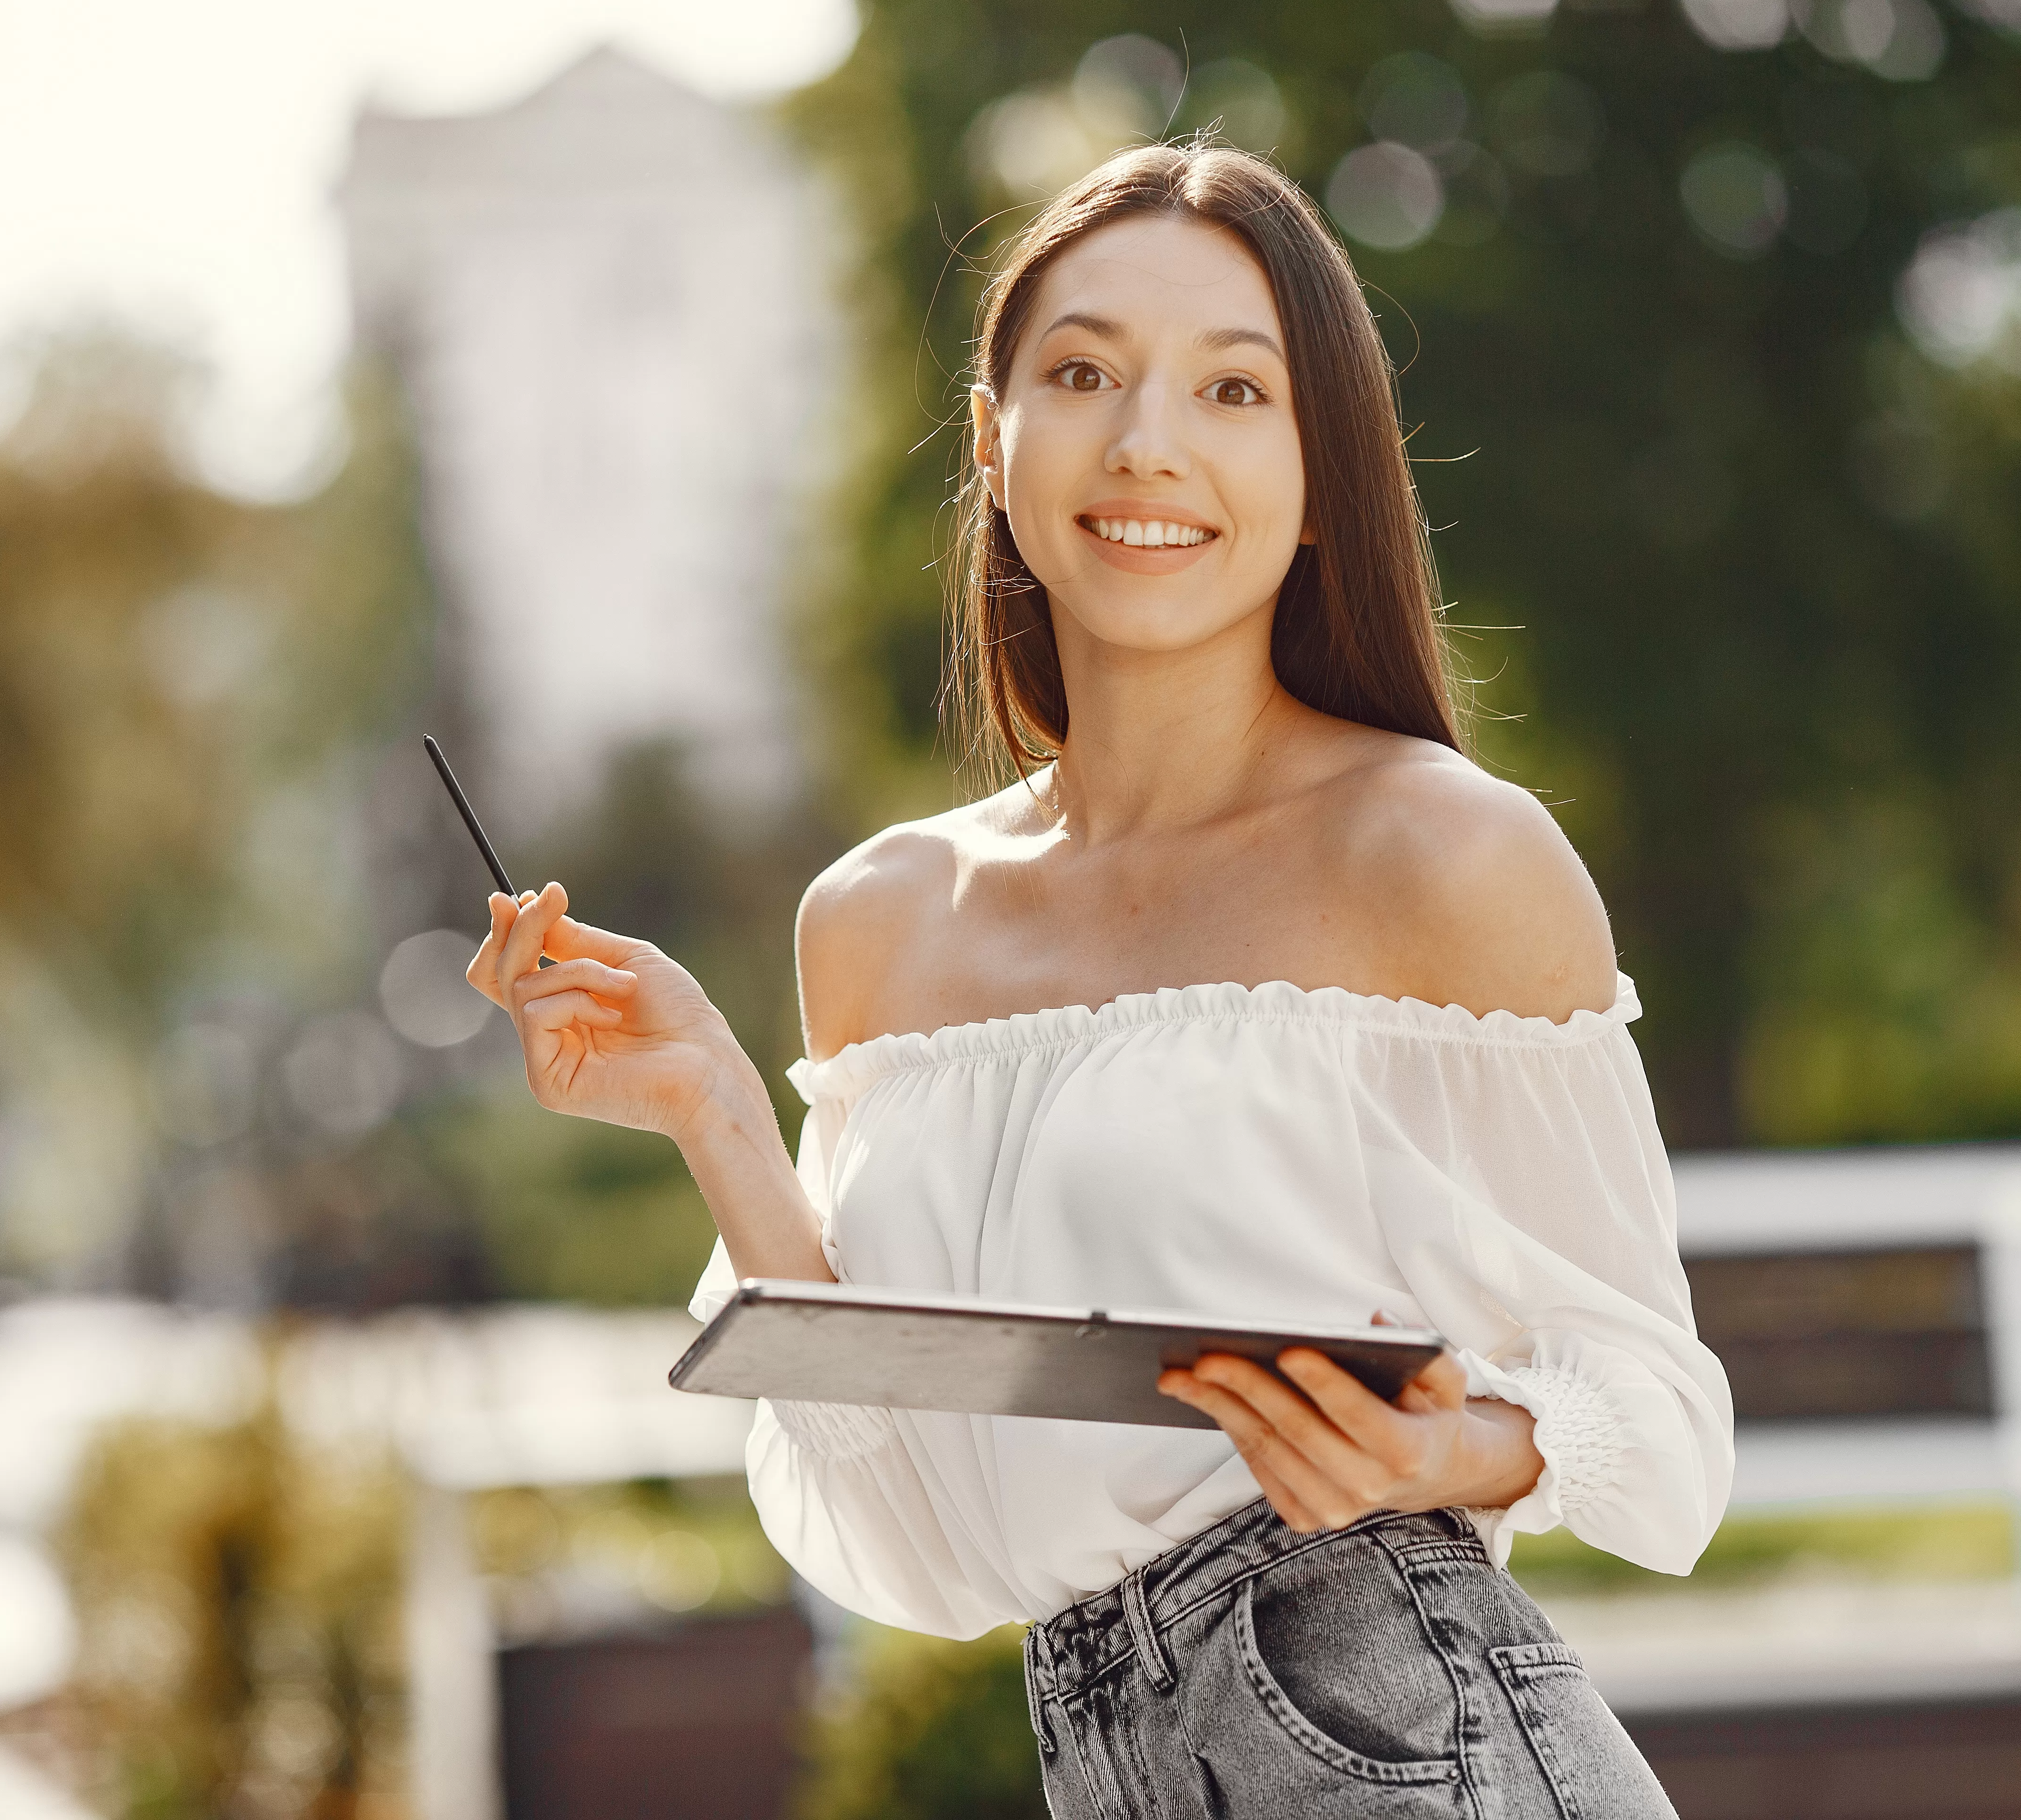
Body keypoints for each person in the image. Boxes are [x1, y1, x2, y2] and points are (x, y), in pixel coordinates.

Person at [468, 140, 1731, 1817]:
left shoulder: (1440, 855)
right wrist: (715, 1118)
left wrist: (1449, 1451)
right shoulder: (880, 920)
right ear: (996, 443)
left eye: (1233, 390)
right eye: (1083, 374)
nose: (1149, 445)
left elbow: (1664, 1416)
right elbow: (912, 1507)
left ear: (1316, 465)